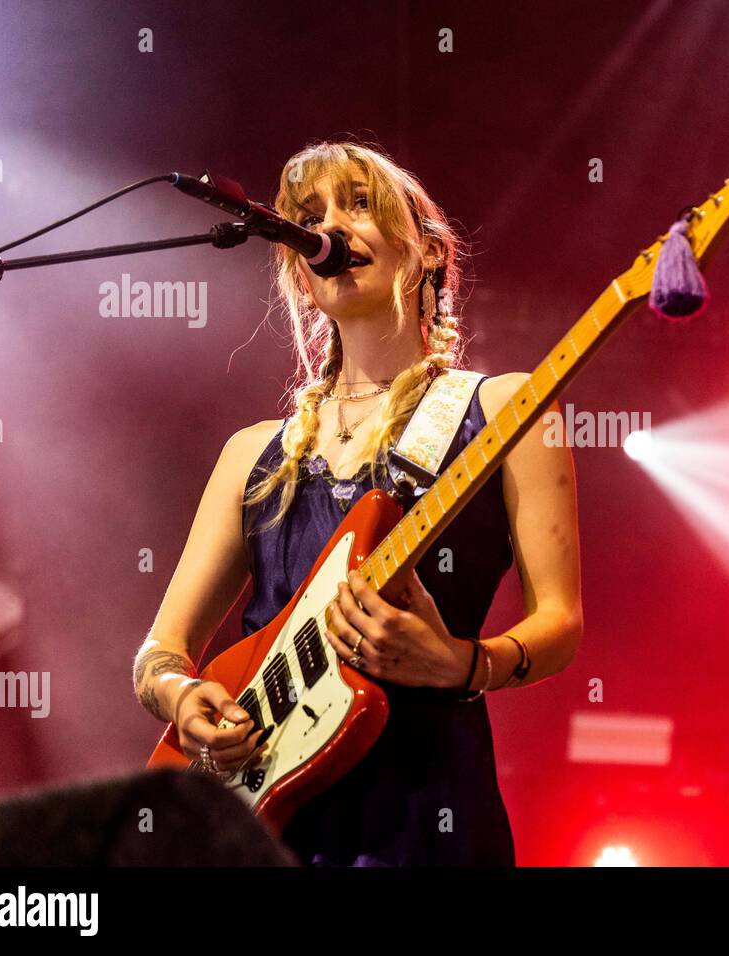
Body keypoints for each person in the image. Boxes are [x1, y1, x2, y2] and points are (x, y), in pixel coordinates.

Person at [131, 140, 583, 865]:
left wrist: (465, 665)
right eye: (310, 216)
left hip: (424, 809)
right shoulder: (251, 453)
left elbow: (560, 621)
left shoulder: (506, 408)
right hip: (271, 819)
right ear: (301, 280)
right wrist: (184, 699)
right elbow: (160, 651)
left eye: (359, 205)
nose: (332, 228)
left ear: (429, 252)